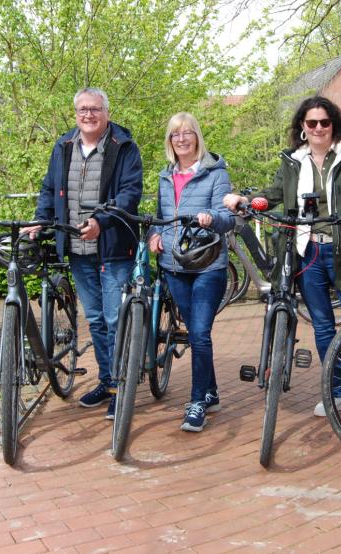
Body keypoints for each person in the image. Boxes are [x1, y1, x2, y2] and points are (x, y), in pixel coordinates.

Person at [223, 96, 341, 436]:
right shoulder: (293, 161)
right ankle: (337, 391)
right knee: (324, 330)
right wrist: (243, 200)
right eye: (310, 123)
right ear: (302, 126)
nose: (317, 129)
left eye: (324, 123)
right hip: (309, 252)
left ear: (334, 125)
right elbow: (272, 194)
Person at [26, 87, 143, 419]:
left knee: (114, 318)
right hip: (77, 249)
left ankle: (122, 386)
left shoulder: (124, 147)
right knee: (94, 319)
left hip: (114, 245)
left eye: (95, 109)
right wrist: (40, 220)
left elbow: (130, 193)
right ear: (75, 113)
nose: (88, 115)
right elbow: (50, 188)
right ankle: (107, 382)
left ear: (106, 111)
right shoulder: (63, 146)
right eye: (82, 110)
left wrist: (102, 222)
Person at [149, 112, 233, 432]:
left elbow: (228, 218)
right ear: (170, 141)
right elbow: (159, 216)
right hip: (174, 265)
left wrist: (211, 216)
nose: (181, 139)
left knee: (199, 332)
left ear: (197, 137)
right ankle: (210, 393)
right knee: (197, 335)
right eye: (175, 135)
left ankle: (197, 401)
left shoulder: (215, 173)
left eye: (187, 133)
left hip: (208, 264)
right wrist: (153, 235)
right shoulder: (164, 176)